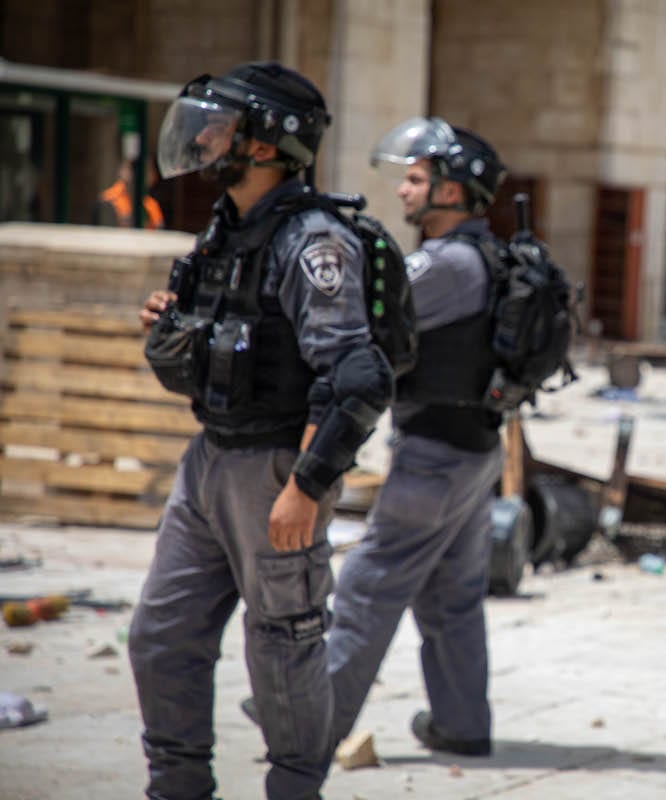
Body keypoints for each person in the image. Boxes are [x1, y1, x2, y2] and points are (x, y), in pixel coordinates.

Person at [131, 61, 393, 799]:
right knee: (161, 636)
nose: (205, 139)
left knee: (282, 648)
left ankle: (295, 788)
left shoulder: (312, 241)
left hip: (275, 469)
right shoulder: (228, 230)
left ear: (268, 144)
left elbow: (356, 379)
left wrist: (306, 488)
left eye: (222, 127)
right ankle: (177, 786)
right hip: (209, 459)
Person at [323, 117, 509, 756]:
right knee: (452, 597)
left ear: (451, 191)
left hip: (433, 457)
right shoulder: (487, 255)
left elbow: (357, 314)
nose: (403, 189)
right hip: (473, 451)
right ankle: (462, 725)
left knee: (367, 584)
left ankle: (312, 720)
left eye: (417, 179)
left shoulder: (447, 264)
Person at [93, 159, 164, 229]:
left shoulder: (150, 204)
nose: (128, 173)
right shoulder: (109, 198)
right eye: (127, 169)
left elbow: (159, 226)